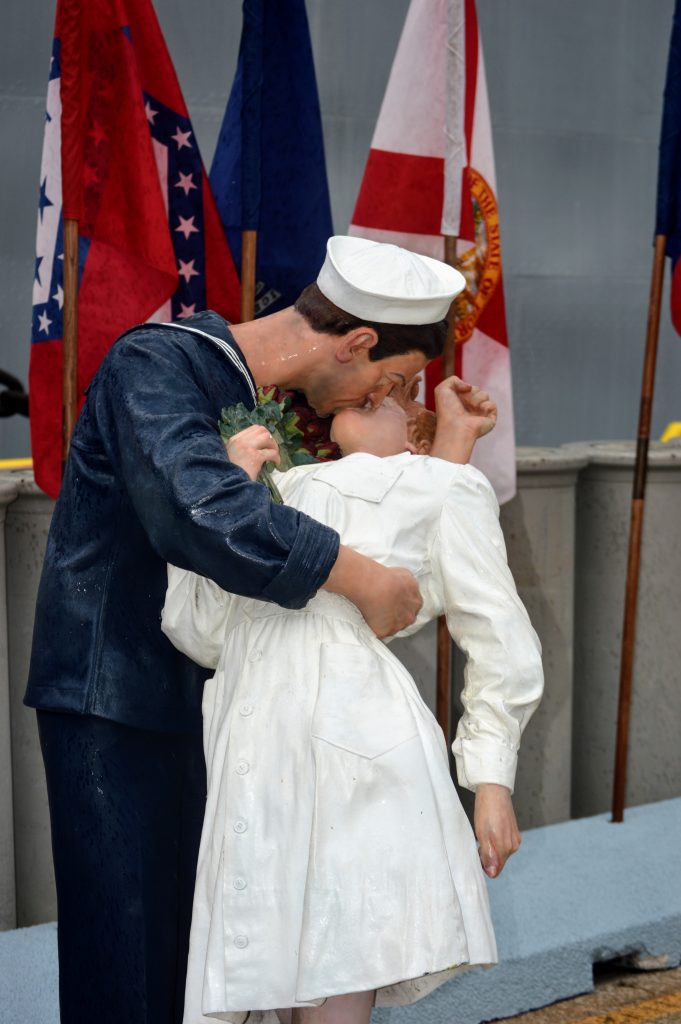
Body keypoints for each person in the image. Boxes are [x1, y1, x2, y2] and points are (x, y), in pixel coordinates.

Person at [25, 235, 476, 1024]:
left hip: (230, 707)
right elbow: (207, 515)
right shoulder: (156, 364)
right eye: (390, 381)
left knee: (217, 965)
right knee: (133, 959)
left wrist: (445, 464)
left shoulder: (288, 414)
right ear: (358, 340)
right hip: (120, 697)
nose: (375, 400)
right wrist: (363, 576)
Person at [161, 385, 544, 1024]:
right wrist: (221, 494)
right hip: (252, 750)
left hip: (356, 754)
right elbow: (199, 631)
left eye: (397, 399)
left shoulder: (440, 485)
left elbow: (501, 638)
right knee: (267, 971)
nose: (382, 392)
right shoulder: (287, 481)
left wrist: (491, 781)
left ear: (419, 444)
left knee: (342, 950)